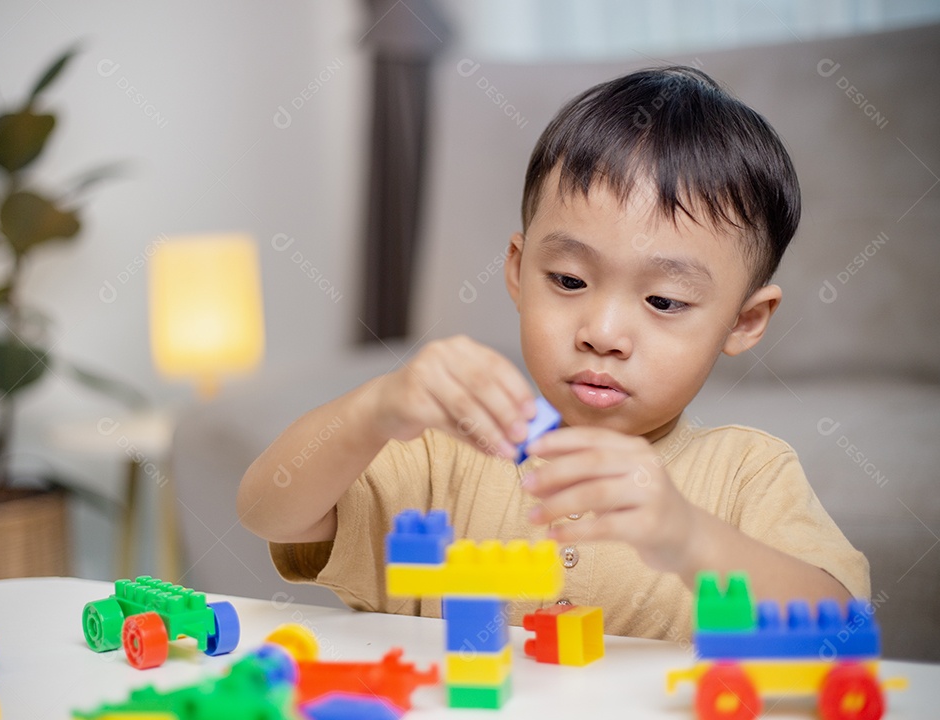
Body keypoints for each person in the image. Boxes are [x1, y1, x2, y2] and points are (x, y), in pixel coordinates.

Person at [237, 66, 869, 640]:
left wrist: (687, 534)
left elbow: (839, 634)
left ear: (745, 320)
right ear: (518, 270)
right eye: (568, 281)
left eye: (664, 301)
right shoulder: (436, 456)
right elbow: (269, 511)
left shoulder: (745, 473)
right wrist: (375, 408)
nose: (602, 332)